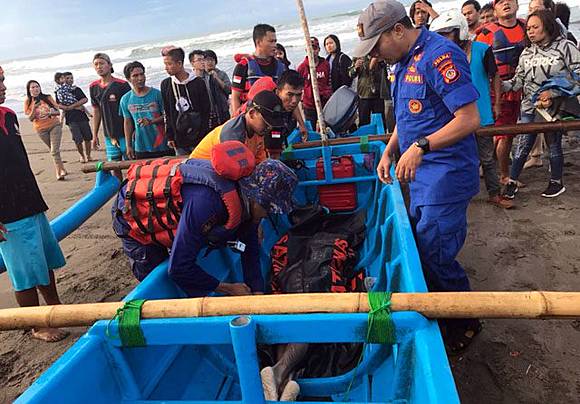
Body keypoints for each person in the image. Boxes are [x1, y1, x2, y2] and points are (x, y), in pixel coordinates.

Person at [353, 0, 482, 352]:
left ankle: (467, 320)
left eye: (377, 45)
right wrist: (390, 147)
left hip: (446, 173)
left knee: (434, 252)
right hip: (420, 173)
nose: (376, 56)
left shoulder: (441, 56)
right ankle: (446, 309)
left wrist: (422, 146)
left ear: (398, 29)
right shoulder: (401, 61)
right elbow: (410, 117)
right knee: (422, 245)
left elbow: (469, 119)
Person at [112, 152, 298, 296]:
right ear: (258, 199)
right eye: (270, 209)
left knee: (185, 260)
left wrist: (257, 294)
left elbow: (250, 251)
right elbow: (179, 268)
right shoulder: (207, 204)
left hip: (185, 213)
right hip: (132, 215)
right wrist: (228, 288)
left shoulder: (247, 201)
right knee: (160, 283)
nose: (269, 215)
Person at [0, 66, 68, 342]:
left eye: (3, 80)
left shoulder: (9, 115)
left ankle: (56, 309)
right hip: (7, 212)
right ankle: (36, 324)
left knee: (44, 260)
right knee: (24, 271)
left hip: (30, 200)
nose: (4, 86)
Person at [432, 10, 512, 209]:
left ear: (459, 31)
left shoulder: (483, 50)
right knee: (457, 157)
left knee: (486, 157)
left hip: (481, 112)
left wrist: (497, 103)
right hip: (454, 116)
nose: (443, 39)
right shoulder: (443, 56)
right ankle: (459, 193)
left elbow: (495, 77)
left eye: (447, 34)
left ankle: (494, 193)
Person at [503, 10, 580, 199]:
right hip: (530, 106)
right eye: (528, 28)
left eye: (535, 27)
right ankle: (512, 181)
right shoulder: (526, 52)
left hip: (553, 107)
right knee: (523, 143)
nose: (530, 31)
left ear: (547, 26)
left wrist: (554, 93)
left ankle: (556, 182)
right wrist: (498, 84)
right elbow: (517, 81)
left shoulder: (566, 47)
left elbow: (578, 76)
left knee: (553, 143)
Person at [476, 0, 527, 185]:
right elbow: (476, 65)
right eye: (500, 2)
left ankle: (499, 172)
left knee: (508, 134)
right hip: (494, 92)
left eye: (510, 0)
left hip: (521, 90)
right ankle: (504, 175)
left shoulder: (527, 27)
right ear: (495, 9)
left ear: (517, 5)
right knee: (502, 134)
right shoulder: (485, 35)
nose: (506, 3)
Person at [191, 90, 285, 163]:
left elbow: (260, 160)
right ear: (252, 113)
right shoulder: (233, 135)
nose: (269, 128)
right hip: (203, 171)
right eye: (266, 123)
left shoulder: (258, 131)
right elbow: (233, 171)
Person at [160, 46, 211, 155]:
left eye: (169, 64)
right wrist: (170, 136)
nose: (166, 68)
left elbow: (206, 110)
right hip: (179, 139)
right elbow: (167, 112)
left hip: (199, 136)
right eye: (165, 64)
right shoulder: (166, 84)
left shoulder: (198, 82)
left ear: (179, 63)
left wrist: (204, 133)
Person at [120, 61, 173, 160]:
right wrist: (129, 146)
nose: (140, 78)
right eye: (135, 76)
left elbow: (168, 116)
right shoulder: (125, 99)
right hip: (141, 146)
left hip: (163, 144)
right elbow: (127, 123)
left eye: (142, 74)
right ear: (128, 79)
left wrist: (151, 121)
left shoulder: (157, 94)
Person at [231, 24, 287, 112]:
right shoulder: (243, 66)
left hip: (275, 117)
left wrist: (301, 123)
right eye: (271, 41)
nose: (275, 45)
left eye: (275, 41)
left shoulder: (280, 67)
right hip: (252, 118)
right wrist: (236, 121)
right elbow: (235, 97)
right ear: (258, 42)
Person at [90, 53, 131, 166]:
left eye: (102, 63)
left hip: (125, 133)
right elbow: (96, 111)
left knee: (131, 164)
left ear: (110, 65)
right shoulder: (93, 87)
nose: (99, 67)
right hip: (109, 134)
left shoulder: (122, 85)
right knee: (113, 165)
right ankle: (118, 184)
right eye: (96, 64)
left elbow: (130, 109)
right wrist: (95, 135)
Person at [24, 80, 67, 180]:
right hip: (41, 130)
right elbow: (30, 119)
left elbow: (57, 112)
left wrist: (50, 114)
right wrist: (34, 108)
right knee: (54, 151)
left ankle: (58, 172)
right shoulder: (28, 102)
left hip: (54, 126)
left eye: (37, 86)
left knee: (54, 151)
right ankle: (62, 168)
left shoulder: (47, 97)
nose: (35, 89)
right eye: (33, 87)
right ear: (29, 90)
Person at [55, 72, 93, 163]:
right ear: (63, 80)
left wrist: (72, 106)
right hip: (71, 119)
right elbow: (58, 104)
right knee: (78, 139)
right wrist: (69, 108)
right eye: (67, 78)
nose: (70, 80)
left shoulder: (76, 89)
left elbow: (85, 99)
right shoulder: (59, 91)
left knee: (88, 137)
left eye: (71, 78)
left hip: (82, 117)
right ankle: (82, 156)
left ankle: (88, 155)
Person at [296, 37, 332, 129]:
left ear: (319, 49)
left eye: (314, 48)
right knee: (311, 128)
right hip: (309, 105)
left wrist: (326, 92)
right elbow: (299, 86)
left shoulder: (325, 64)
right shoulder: (302, 68)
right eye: (309, 48)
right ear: (306, 50)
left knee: (327, 127)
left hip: (325, 103)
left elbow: (329, 81)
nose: (312, 51)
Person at [189, 50, 229, 130]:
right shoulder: (191, 80)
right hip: (203, 117)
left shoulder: (213, 76)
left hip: (220, 112)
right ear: (192, 63)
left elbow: (229, 90)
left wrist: (217, 78)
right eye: (200, 60)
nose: (204, 62)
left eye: (203, 59)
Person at [349, 55, 386, 127]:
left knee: (380, 122)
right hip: (363, 94)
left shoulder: (378, 52)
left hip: (378, 93)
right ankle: (364, 138)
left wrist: (378, 60)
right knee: (363, 122)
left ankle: (381, 137)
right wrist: (355, 67)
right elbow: (351, 74)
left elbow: (385, 66)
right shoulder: (359, 54)